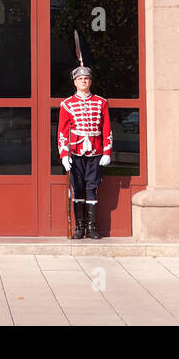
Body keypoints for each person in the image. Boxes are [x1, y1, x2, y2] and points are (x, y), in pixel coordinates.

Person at [58, 65, 111, 239]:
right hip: (75, 151)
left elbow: (106, 128)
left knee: (92, 188)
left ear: (90, 81)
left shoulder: (101, 102)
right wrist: (64, 155)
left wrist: (107, 152)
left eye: (86, 78)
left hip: (95, 151)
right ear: (75, 82)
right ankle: (79, 227)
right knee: (77, 189)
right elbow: (63, 131)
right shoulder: (67, 104)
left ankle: (92, 227)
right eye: (80, 79)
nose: (83, 81)